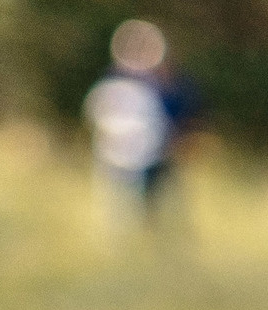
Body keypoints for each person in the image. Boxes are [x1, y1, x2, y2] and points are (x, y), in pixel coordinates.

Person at [84, 19, 198, 238]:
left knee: (160, 202)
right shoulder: (113, 80)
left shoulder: (165, 81)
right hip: (117, 154)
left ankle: (161, 237)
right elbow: (99, 113)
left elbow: (178, 112)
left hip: (157, 152)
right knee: (119, 204)